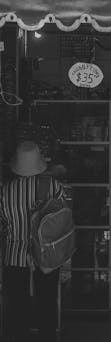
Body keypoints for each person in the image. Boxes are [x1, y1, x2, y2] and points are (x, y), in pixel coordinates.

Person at [0, 141, 64, 342]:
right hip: (46, 253)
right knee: (47, 300)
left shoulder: (5, 190)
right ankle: (47, 336)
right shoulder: (53, 186)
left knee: (17, 302)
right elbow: (62, 217)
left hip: (14, 253)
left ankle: (19, 336)